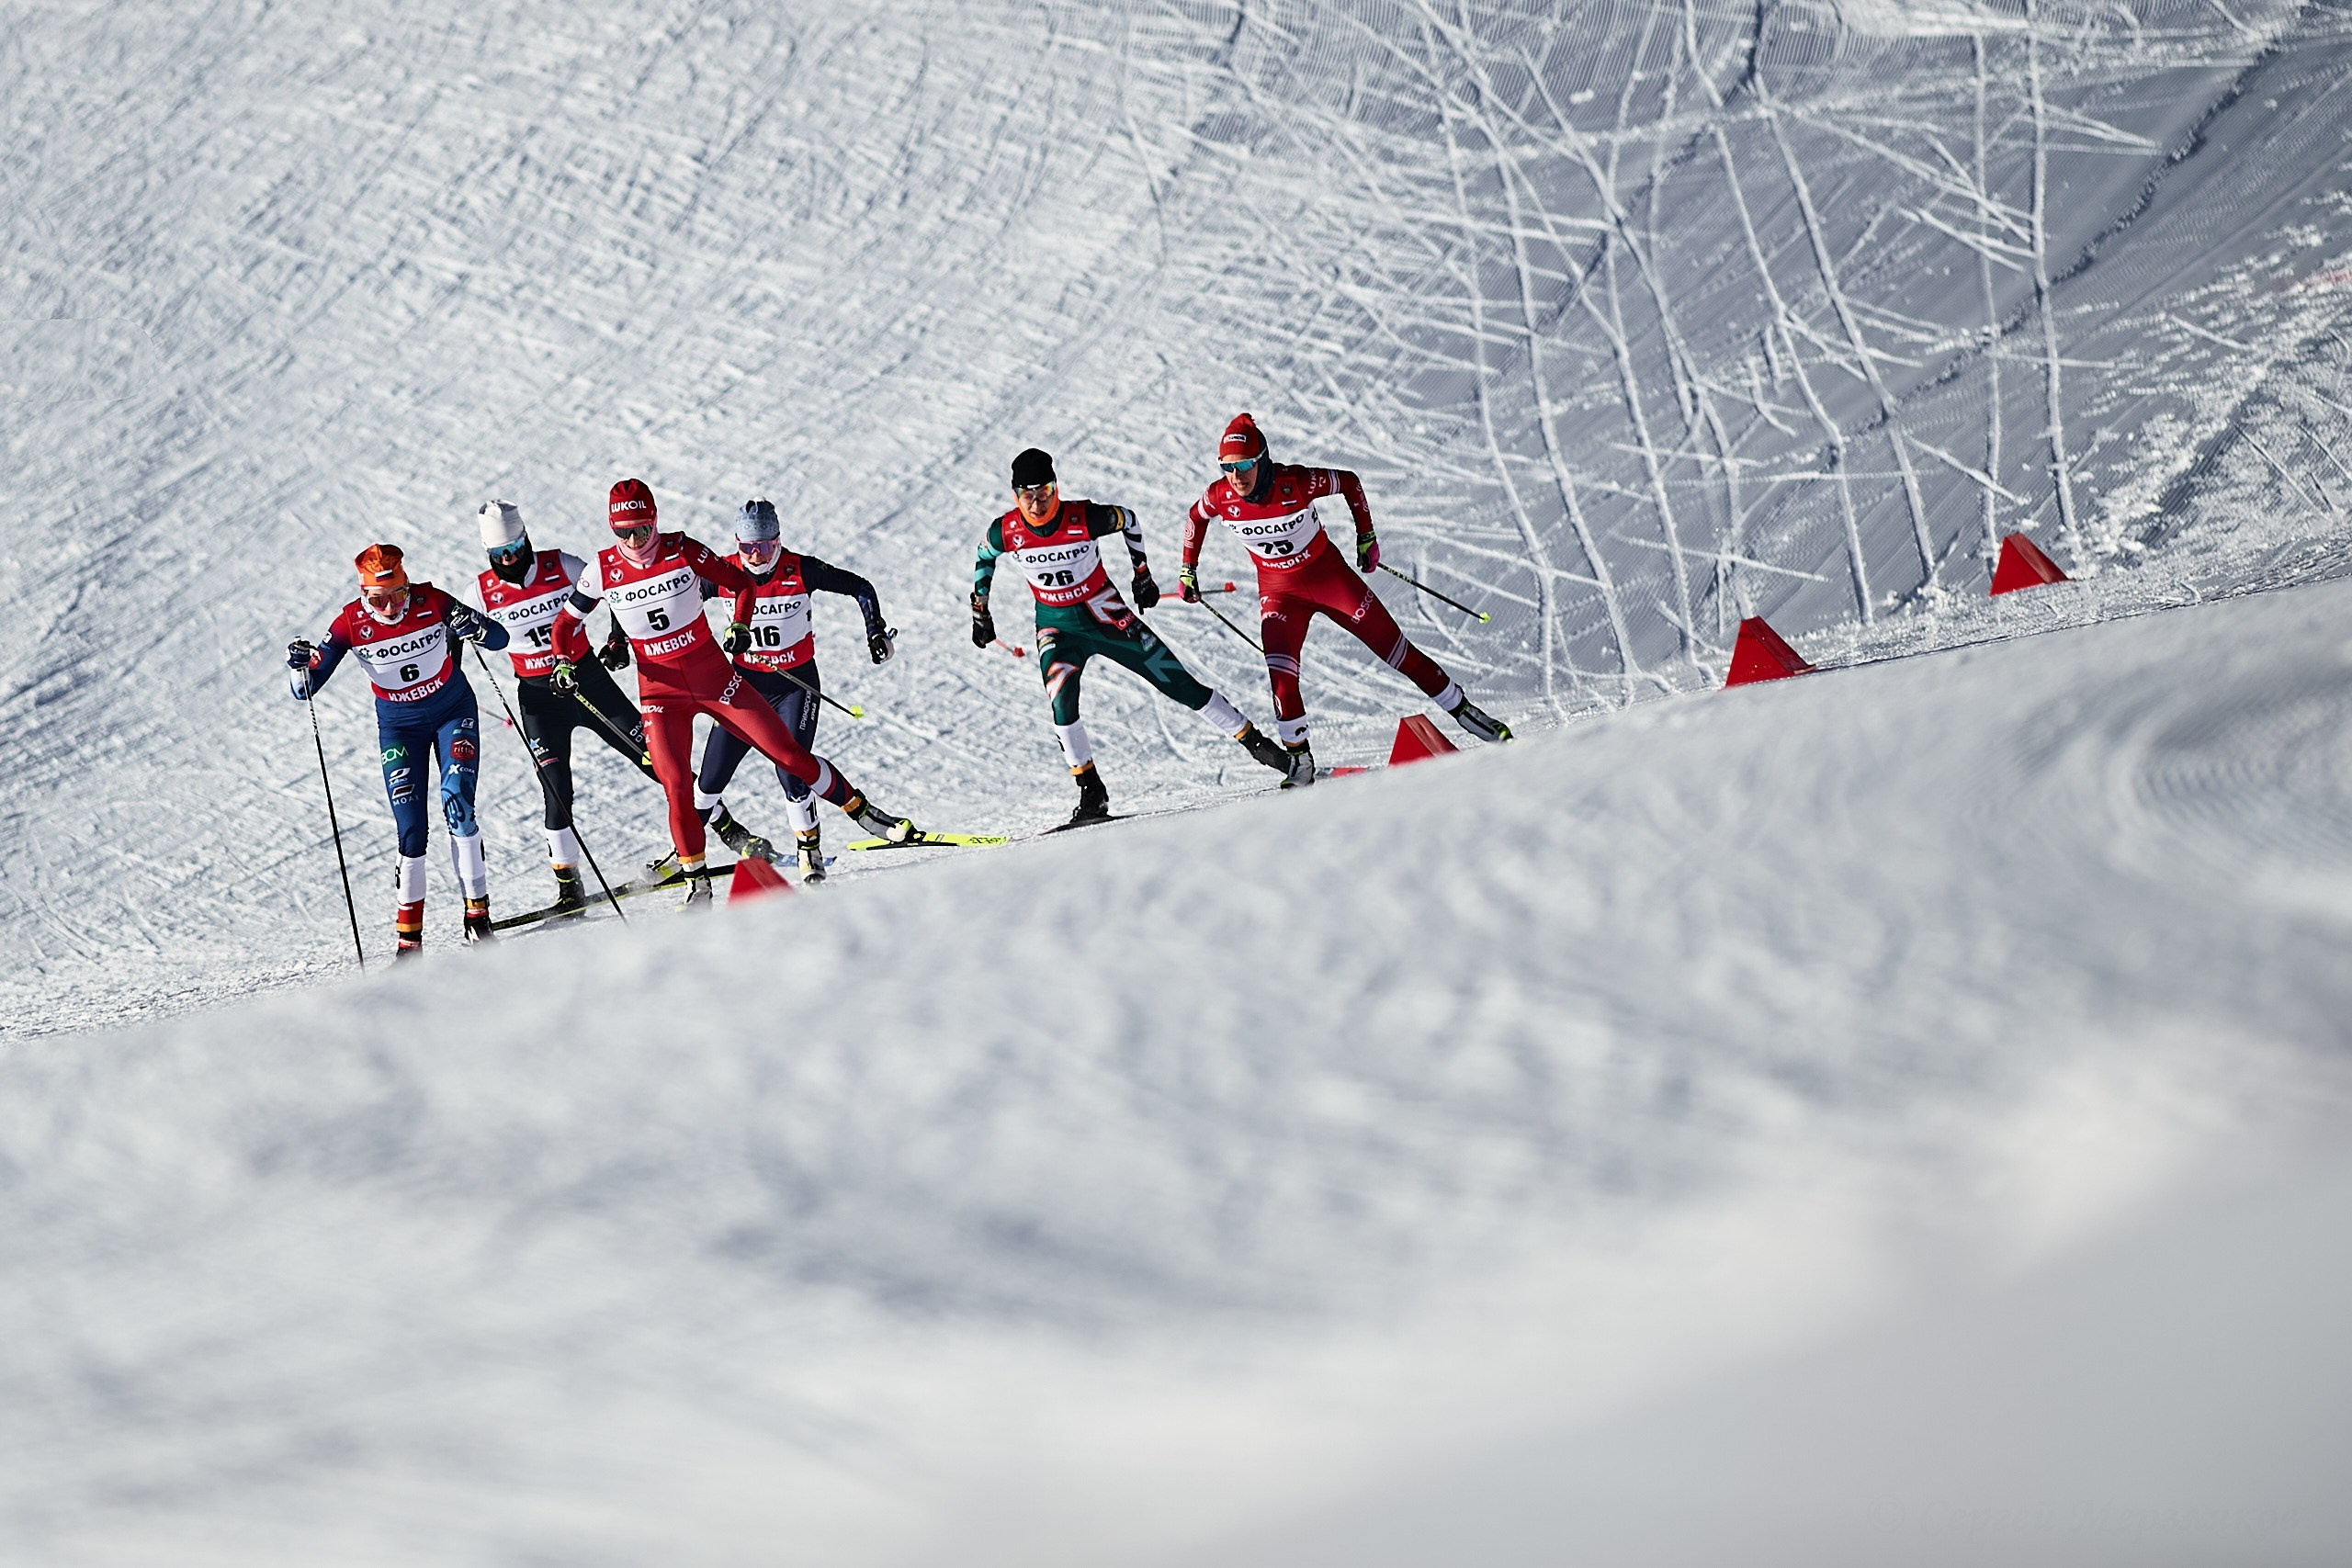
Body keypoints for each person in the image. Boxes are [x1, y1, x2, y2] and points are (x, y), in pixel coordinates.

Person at [548, 478, 922, 907]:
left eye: (642, 530)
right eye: (623, 533)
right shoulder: (601, 570)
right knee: (678, 786)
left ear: (655, 520)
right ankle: (697, 883)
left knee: (790, 757)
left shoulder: (683, 550)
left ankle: (864, 814)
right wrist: (564, 660)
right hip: (660, 694)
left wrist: (741, 625)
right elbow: (567, 623)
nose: (634, 542)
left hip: (716, 681)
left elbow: (743, 585)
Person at [471, 500, 769, 913]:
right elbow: (455, 632)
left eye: (515, 548)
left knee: (656, 761)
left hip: (589, 683)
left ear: (526, 539)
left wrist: (616, 639)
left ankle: (729, 829)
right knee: (556, 789)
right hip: (540, 699)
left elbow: (617, 593)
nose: (509, 559)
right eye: (499, 553)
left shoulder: (563, 566)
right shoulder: (480, 592)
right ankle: (568, 887)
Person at [1181, 412, 1510, 784]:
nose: (1236, 476)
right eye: (1227, 467)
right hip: (1280, 594)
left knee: (1397, 651)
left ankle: (1466, 712)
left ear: (1262, 460)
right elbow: (1195, 518)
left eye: (1244, 465)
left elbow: (1349, 482)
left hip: (1329, 579)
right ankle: (1300, 760)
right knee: (1282, 677)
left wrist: (1366, 537)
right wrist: (1188, 570)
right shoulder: (1220, 496)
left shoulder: (1296, 482)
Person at [972, 447, 1290, 825]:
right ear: (1015, 495)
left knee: (1177, 682)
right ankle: (1091, 791)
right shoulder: (1006, 530)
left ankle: (1257, 744)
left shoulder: (1085, 518)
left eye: (1045, 493)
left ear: (1056, 488)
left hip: (1108, 617)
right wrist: (980, 611)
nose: (1037, 504)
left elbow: (1129, 521)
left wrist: (1142, 575)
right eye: (1028, 495)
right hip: (1057, 627)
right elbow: (984, 557)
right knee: (1062, 705)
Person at [288, 543, 511, 955]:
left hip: (452, 713)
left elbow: (499, 639)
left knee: (458, 805)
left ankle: (477, 918)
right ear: (363, 595)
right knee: (411, 830)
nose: (390, 607)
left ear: (408, 586)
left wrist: (474, 627)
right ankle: (409, 945)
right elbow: (305, 690)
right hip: (399, 728)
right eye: (378, 599)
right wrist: (299, 666)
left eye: (398, 595)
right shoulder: (349, 623)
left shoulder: (432, 600)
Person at [692, 498, 896, 882]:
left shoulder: (800, 569)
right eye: (747, 547)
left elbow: (860, 587)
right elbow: (678, 604)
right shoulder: (722, 573)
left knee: (791, 767)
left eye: (765, 546)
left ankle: (809, 848)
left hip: (795, 686)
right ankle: (685, 852)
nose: (756, 556)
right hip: (744, 687)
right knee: (711, 776)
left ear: (778, 540)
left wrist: (875, 631)